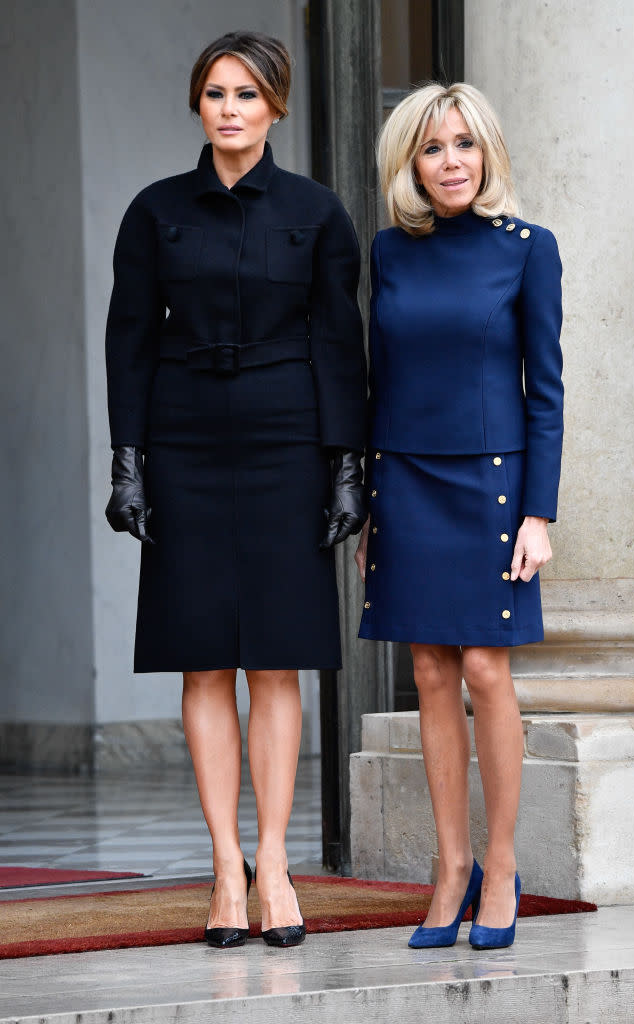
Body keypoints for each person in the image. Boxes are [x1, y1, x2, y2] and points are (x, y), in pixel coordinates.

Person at [104, 31, 366, 949]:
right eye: (214, 92)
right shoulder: (154, 211)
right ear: (198, 104)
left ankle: (278, 867)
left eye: (246, 94)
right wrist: (128, 459)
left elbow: (340, 343)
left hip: (286, 438)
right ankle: (225, 870)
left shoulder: (318, 211)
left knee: (275, 658)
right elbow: (129, 338)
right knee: (202, 656)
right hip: (183, 441)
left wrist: (346, 463)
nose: (228, 108)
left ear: (276, 107)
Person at [355, 82, 563, 951]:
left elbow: (544, 390)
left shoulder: (528, 249)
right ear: (410, 162)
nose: (451, 163)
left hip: (492, 484)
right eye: (434, 148)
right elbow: (378, 380)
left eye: (465, 145)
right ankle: (449, 870)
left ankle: (502, 866)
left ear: (488, 154)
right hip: (404, 476)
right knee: (430, 674)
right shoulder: (389, 251)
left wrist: (539, 514)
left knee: (483, 667)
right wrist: (371, 502)